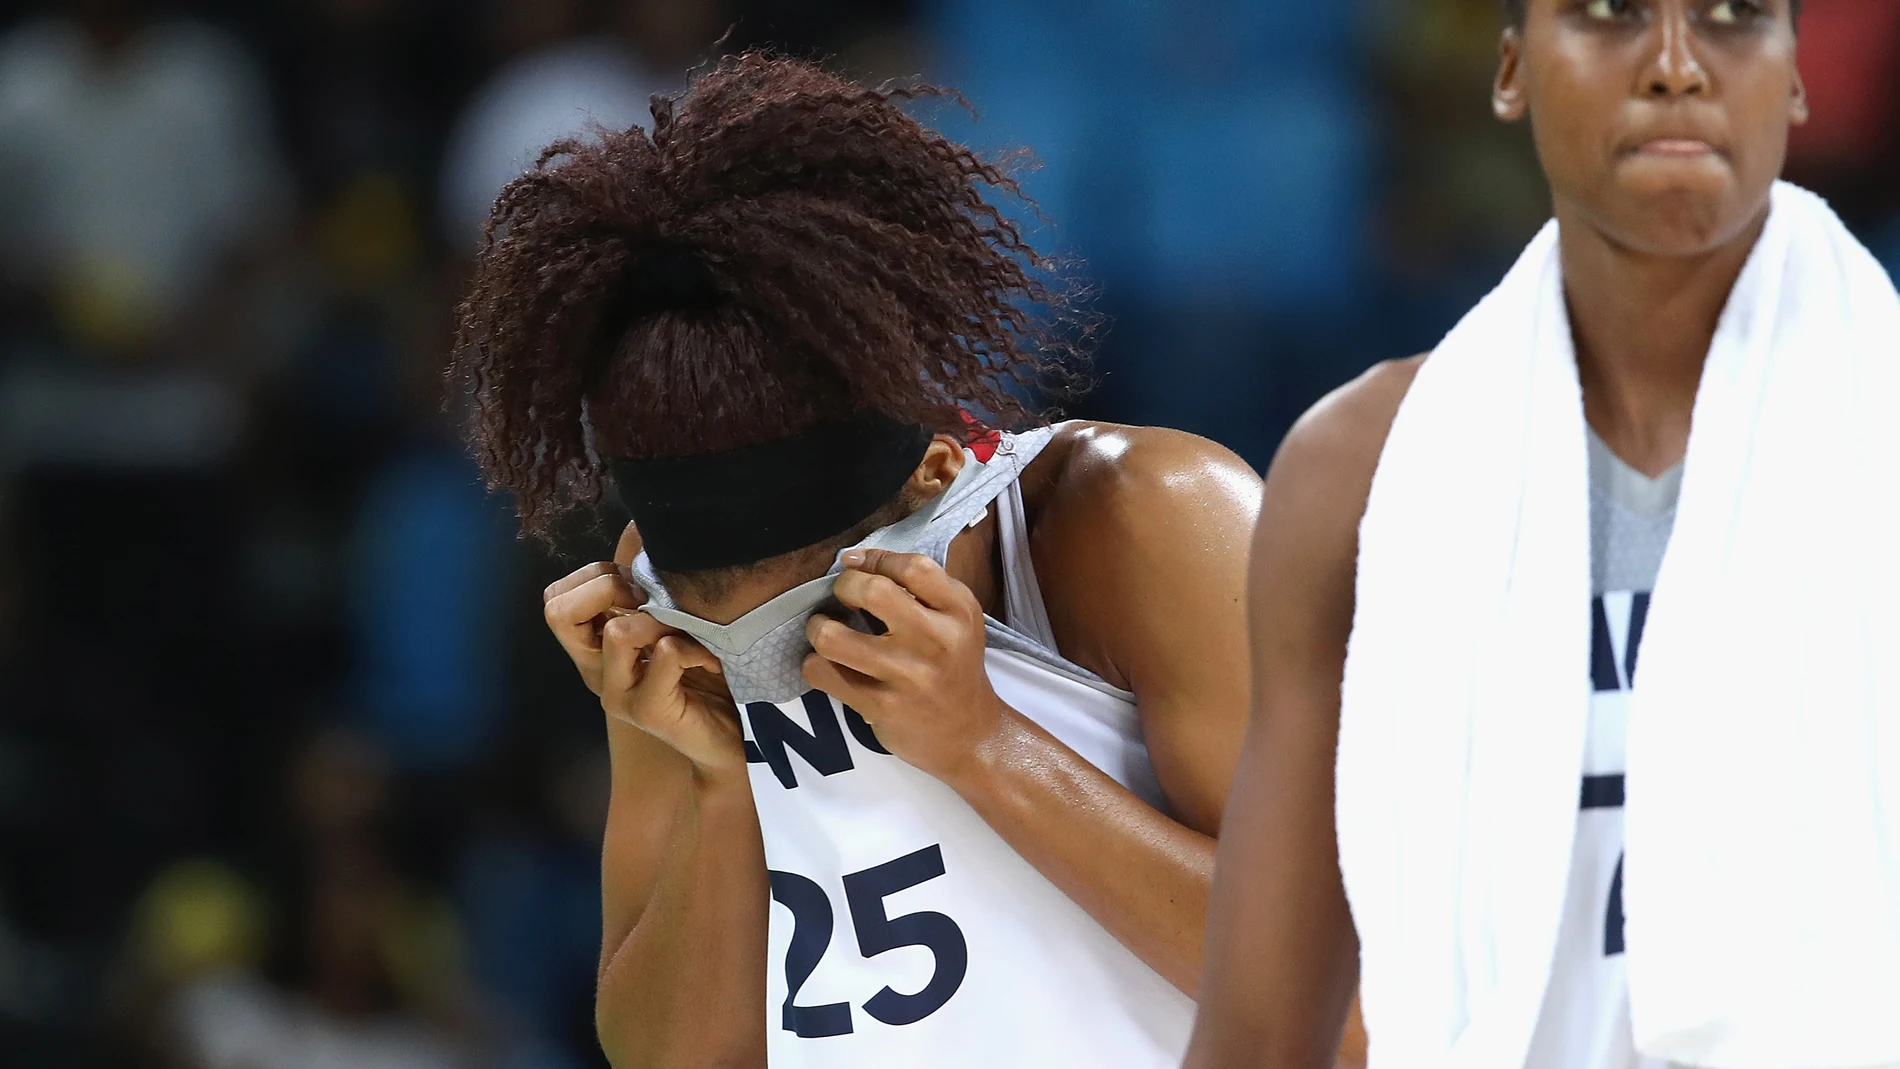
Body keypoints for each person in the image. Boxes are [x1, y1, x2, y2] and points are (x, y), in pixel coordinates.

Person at [448, 54, 1262, 1069]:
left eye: (810, 622)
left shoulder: (1146, 518)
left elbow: (1365, 1006)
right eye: (728, 640)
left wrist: (985, 745)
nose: (769, 671)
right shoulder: (661, 601)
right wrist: (718, 784)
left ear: (933, 474)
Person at [1189, 2, 1898, 1068]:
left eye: (1731, 17)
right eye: (1609, 14)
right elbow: (1258, 1037)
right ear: (1512, 69)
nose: (1672, 66)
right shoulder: (1360, 471)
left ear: (1794, 74)